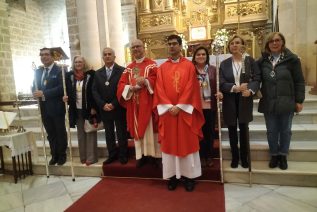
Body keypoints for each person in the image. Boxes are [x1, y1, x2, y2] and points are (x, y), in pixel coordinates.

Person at [153, 35, 205, 192]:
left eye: (175, 44)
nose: (172, 47)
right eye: (169, 44)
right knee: (170, 145)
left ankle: (189, 176)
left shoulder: (189, 66)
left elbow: (191, 88)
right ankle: (173, 176)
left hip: (184, 113)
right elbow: (159, 89)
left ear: (180, 46)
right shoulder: (162, 68)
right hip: (168, 113)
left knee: (186, 143)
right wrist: (169, 106)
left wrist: (180, 106)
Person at [257, 32, 305, 170]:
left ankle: (283, 154)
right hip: (269, 102)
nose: (274, 43)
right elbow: (254, 76)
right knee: (271, 130)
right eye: (271, 41)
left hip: (287, 101)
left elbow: (299, 81)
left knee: (285, 130)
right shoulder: (262, 61)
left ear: (282, 42)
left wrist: (299, 100)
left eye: (277, 40)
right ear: (267, 44)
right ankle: (274, 154)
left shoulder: (292, 59)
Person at [117, 39, 161, 168]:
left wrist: (146, 81)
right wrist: (129, 88)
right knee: (137, 129)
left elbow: (157, 80)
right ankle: (141, 156)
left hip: (149, 103)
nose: (136, 49)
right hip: (134, 104)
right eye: (133, 47)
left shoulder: (152, 65)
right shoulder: (129, 68)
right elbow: (121, 84)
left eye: (138, 47)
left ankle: (156, 156)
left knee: (151, 128)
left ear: (144, 48)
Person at [219, 35, 261, 169]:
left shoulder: (249, 61)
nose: (234, 45)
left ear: (243, 45)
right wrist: (235, 88)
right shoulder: (224, 63)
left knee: (243, 129)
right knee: (231, 129)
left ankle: (244, 157)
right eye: (232, 43)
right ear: (229, 46)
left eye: (238, 43)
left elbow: (257, 78)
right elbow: (221, 82)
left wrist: (250, 89)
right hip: (230, 99)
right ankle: (235, 157)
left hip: (244, 98)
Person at [92, 47, 128, 165]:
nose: (107, 56)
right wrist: (103, 105)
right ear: (102, 57)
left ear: (114, 56)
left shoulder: (122, 71)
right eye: (105, 54)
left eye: (109, 54)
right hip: (105, 109)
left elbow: (124, 90)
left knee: (121, 133)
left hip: (118, 107)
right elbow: (95, 91)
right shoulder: (97, 73)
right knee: (109, 133)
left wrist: (113, 104)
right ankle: (112, 155)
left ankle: (123, 155)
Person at [32, 47, 67, 166]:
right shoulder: (38, 72)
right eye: (41, 55)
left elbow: (62, 88)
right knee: (50, 133)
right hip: (43, 108)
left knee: (59, 132)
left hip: (56, 107)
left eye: (46, 54)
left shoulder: (59, 71)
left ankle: (62, 155)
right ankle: (54, 155)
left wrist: (44, 93)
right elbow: (34, 86)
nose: (44, 57)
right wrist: (34, 93)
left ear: (52, 56)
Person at [63, 55, 98, 166]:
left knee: (90, 132)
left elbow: (94, 92)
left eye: (80, 62)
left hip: (88, 109)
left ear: (84, 63)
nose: (78, 64)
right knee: (80, 134)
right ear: (74, 64)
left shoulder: (90, 75)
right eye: (76, 62)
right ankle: (83, 157)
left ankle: (91, 158)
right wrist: (65, 98)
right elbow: (67, 91)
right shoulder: (70, 77)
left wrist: (94, 107)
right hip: (76, 109)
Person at [192, 46, 223, 167]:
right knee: (197, 133)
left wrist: (220, 92)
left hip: (210, 106)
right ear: (194, 57)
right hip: (196, 107)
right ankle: (199, 155)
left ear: (207, 56)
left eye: (203, 54)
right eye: (198, 54)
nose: (201, 56)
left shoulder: (213, 69)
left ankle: (208, 155)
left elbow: (219, 84)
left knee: (209, 133)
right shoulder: (190, 70)